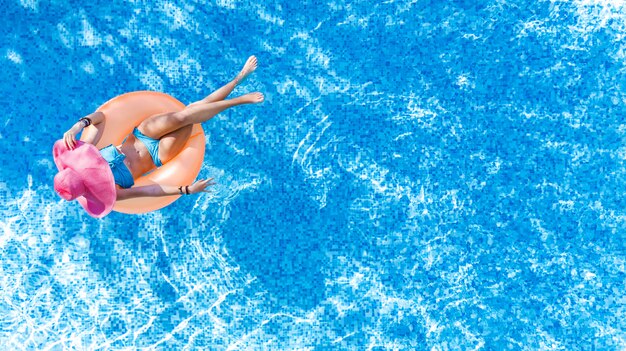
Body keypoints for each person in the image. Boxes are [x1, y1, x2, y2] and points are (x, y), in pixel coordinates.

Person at [53, 56, 263, 217]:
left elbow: (100, 118)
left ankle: (239, 99)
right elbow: (150, 190)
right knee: (192, 115)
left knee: (186, 114)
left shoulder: (84, 152)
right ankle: (237, 80)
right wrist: (187, 189)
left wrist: (77, 126)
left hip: (143, 133)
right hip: (158, 155)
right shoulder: (112, 193)